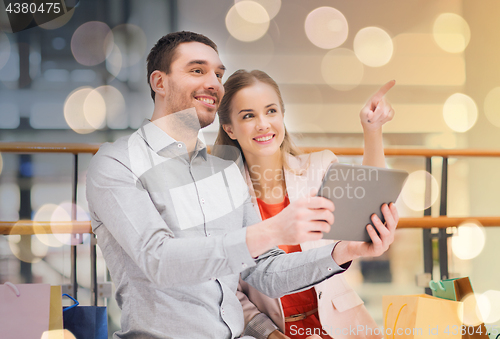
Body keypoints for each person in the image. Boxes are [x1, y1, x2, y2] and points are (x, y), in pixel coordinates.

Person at [85, 31, 399, 339]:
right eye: (197, 70)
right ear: (160, 82)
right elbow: (160, 260)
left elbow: (264, 271)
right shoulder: (117, 163)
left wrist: (345, 250)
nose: (213, 82)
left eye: (218, 73)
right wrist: (273, 230)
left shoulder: (223, 173)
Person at [214, 69, 396, 339]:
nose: (263, 124)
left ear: (283, 116)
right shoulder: (221, 197)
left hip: (340, 328)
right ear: (229, 128)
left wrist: (372, 130)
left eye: (271, 111)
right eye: (248, 116)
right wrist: (270, 335)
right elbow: (229, 291)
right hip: (276, 333)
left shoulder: (318, 167)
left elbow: (368, 209)